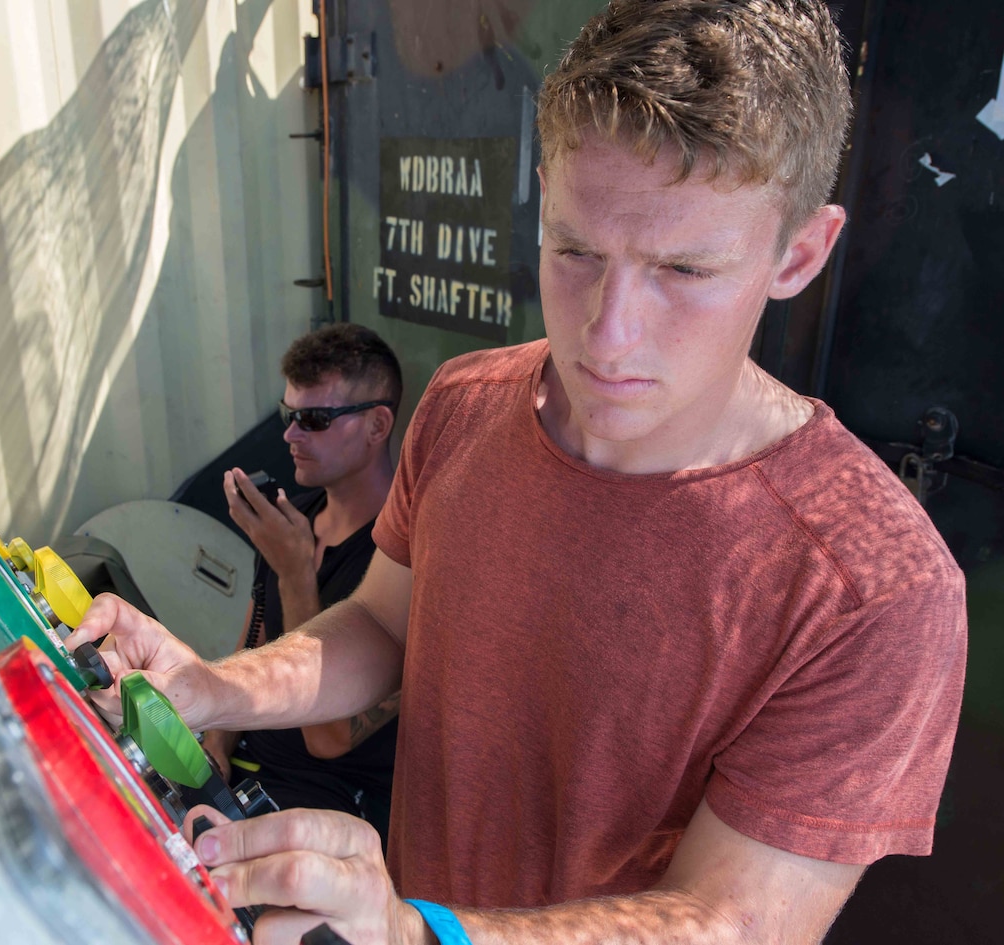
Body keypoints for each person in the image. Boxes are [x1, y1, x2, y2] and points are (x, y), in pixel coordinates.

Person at [74, 2, 968, 942]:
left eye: (684, 270)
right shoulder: (465, 405)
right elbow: (383, 623)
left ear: (800, 253)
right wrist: (218, 686)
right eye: (576, 250)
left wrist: (422, 933)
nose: (608, 332)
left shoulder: (875, 588)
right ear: (543, 198)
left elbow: (733, 921)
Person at [203, 324, 403, 844]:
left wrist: (295, 573)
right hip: (249, 777)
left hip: (330, 811)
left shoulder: (407, 555)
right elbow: (252, 647)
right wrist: (217, 742)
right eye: (288, 416)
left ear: (377, 425)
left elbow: (329, 737)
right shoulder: (296, 520)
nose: (291, 435)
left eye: (314, 419)